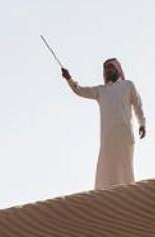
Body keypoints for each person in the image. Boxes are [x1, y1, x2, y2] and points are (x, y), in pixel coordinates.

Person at [61, 57, 146, 190]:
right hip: (108, 136)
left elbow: (138, 105)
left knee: (125, 166)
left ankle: (129, 194)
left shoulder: (128, 86)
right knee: (107, 167)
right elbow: (80, 90)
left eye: (110, 67)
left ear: (117, 69)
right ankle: (106, 196)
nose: (108, 71)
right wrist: (69, 79)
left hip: (124, 134)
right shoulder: (101, 91)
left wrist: (142, 123)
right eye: (105, 69)